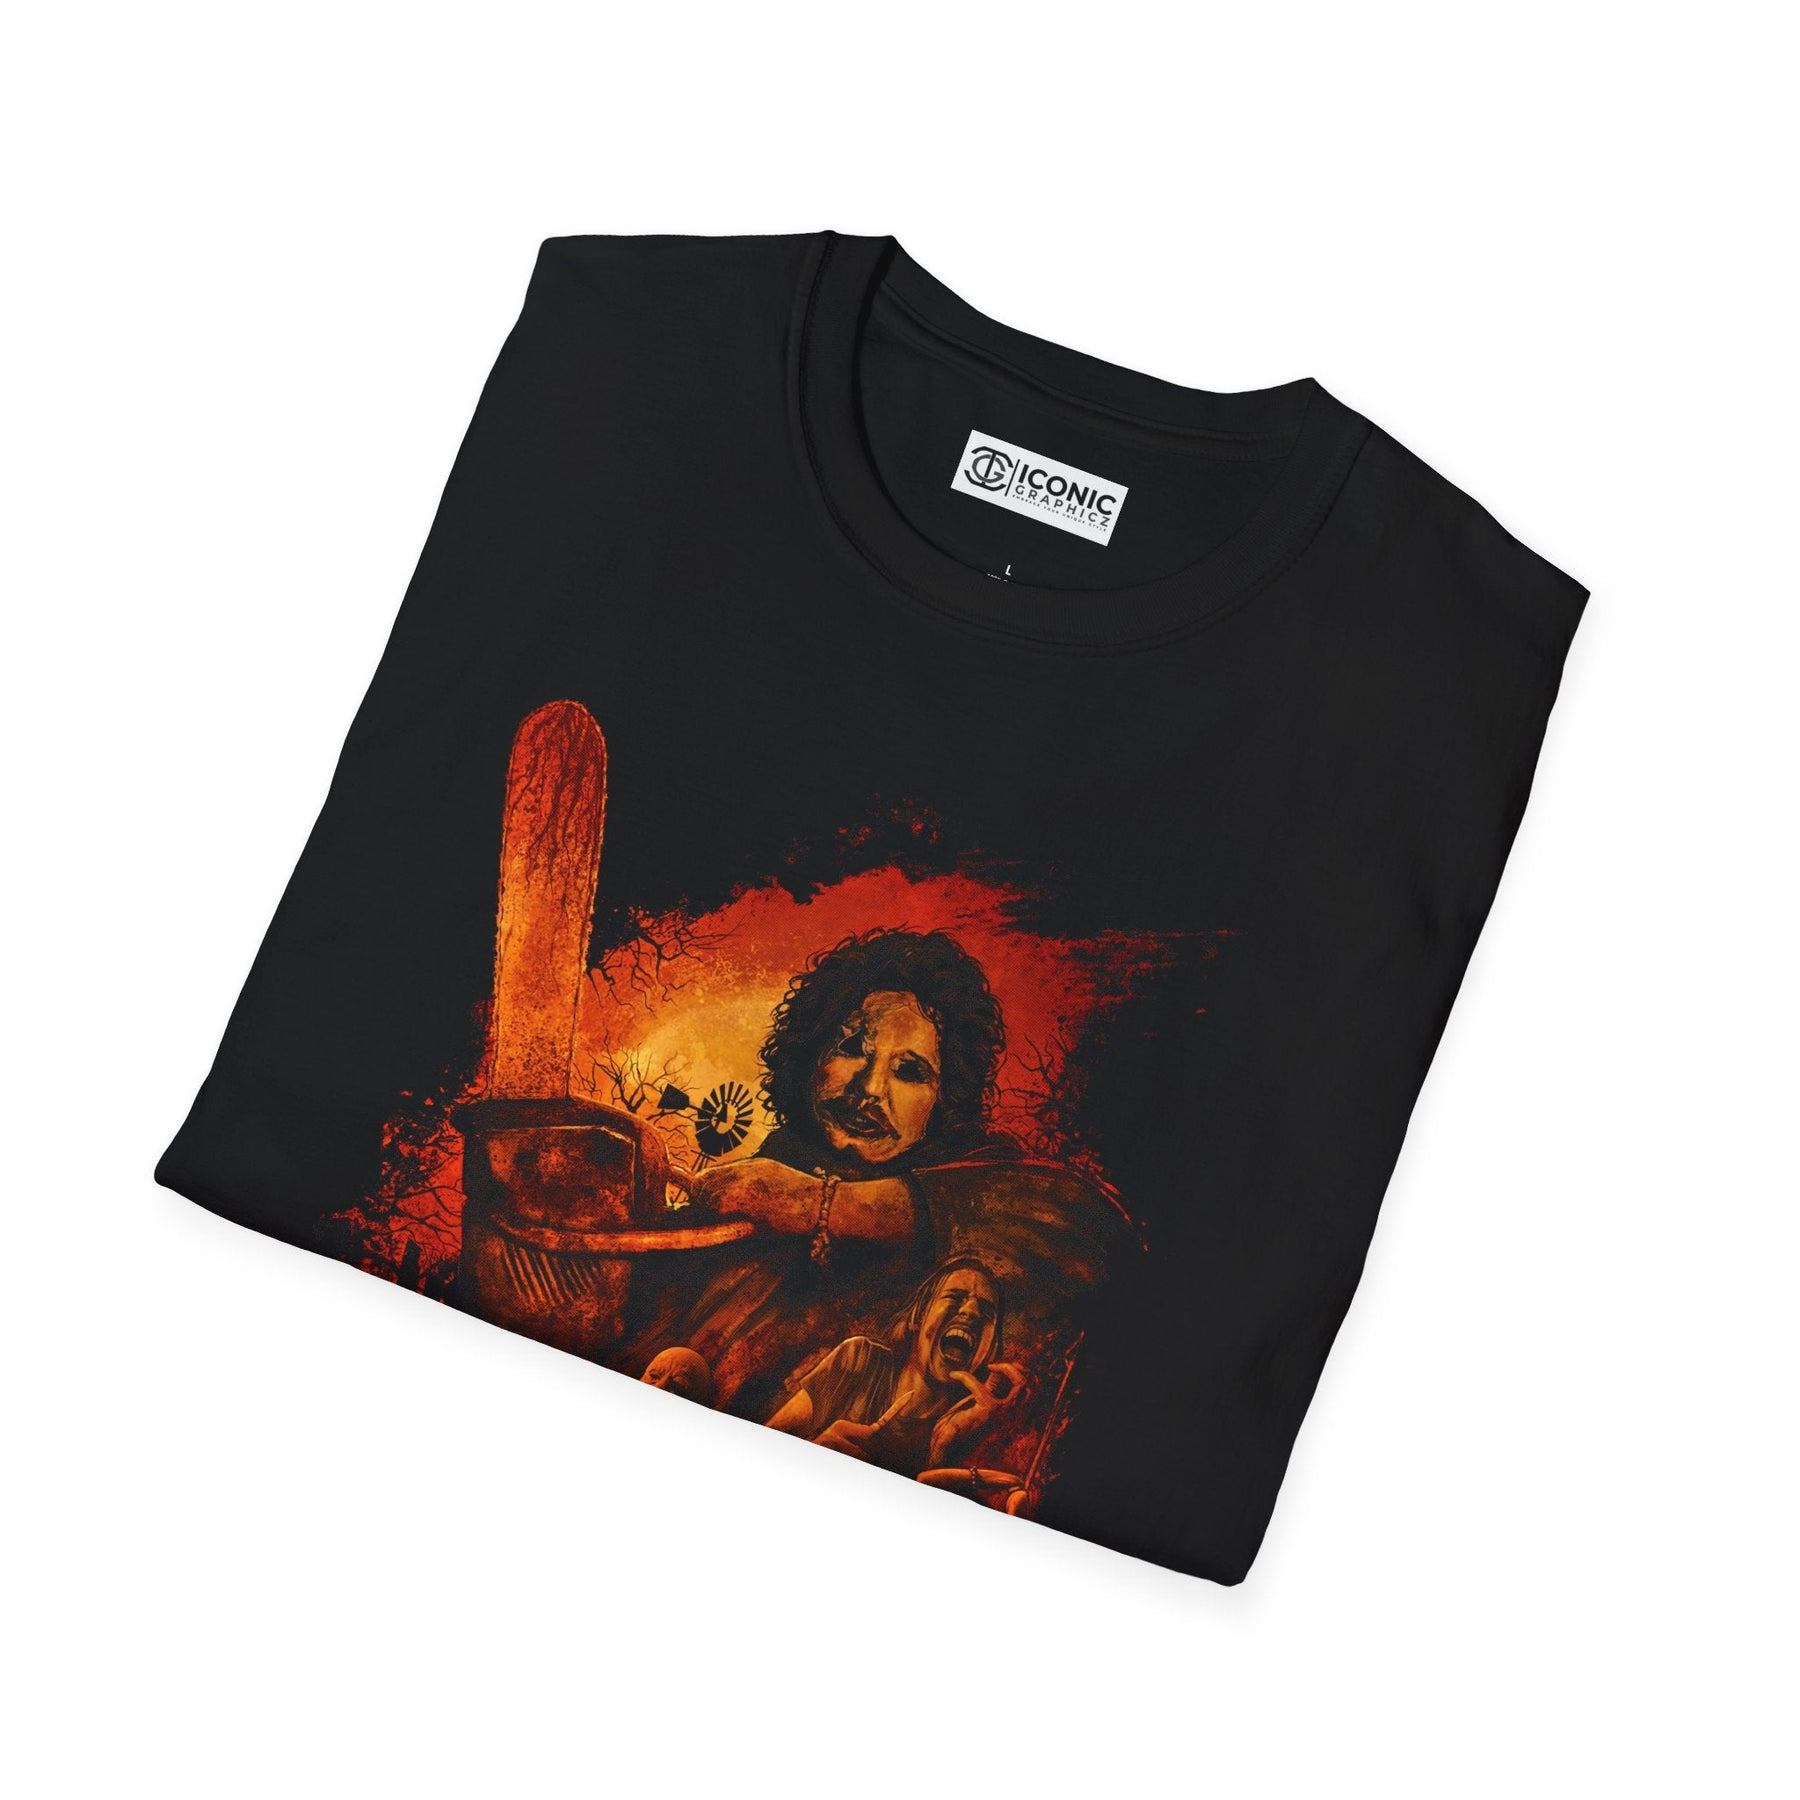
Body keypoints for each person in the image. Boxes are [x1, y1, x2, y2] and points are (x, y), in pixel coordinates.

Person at [629, 929, 1133, 1418]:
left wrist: (816, 1204)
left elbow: (1093, 1232)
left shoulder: (980, 1185)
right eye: (852, 1049)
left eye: (909, 1071)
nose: (869, 1089)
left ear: (943, 1100)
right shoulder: (767, 1169)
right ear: (811, 1058)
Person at [767, 1259, 1025, 1479]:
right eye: (955, 1297)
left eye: (987, 1312)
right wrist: (814, 1452)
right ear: (918, 1315)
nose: (972, 1312)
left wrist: (943, 1449)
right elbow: (765, 1446)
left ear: (991, 1347)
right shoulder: (858, 1359)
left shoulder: (974, 1423)